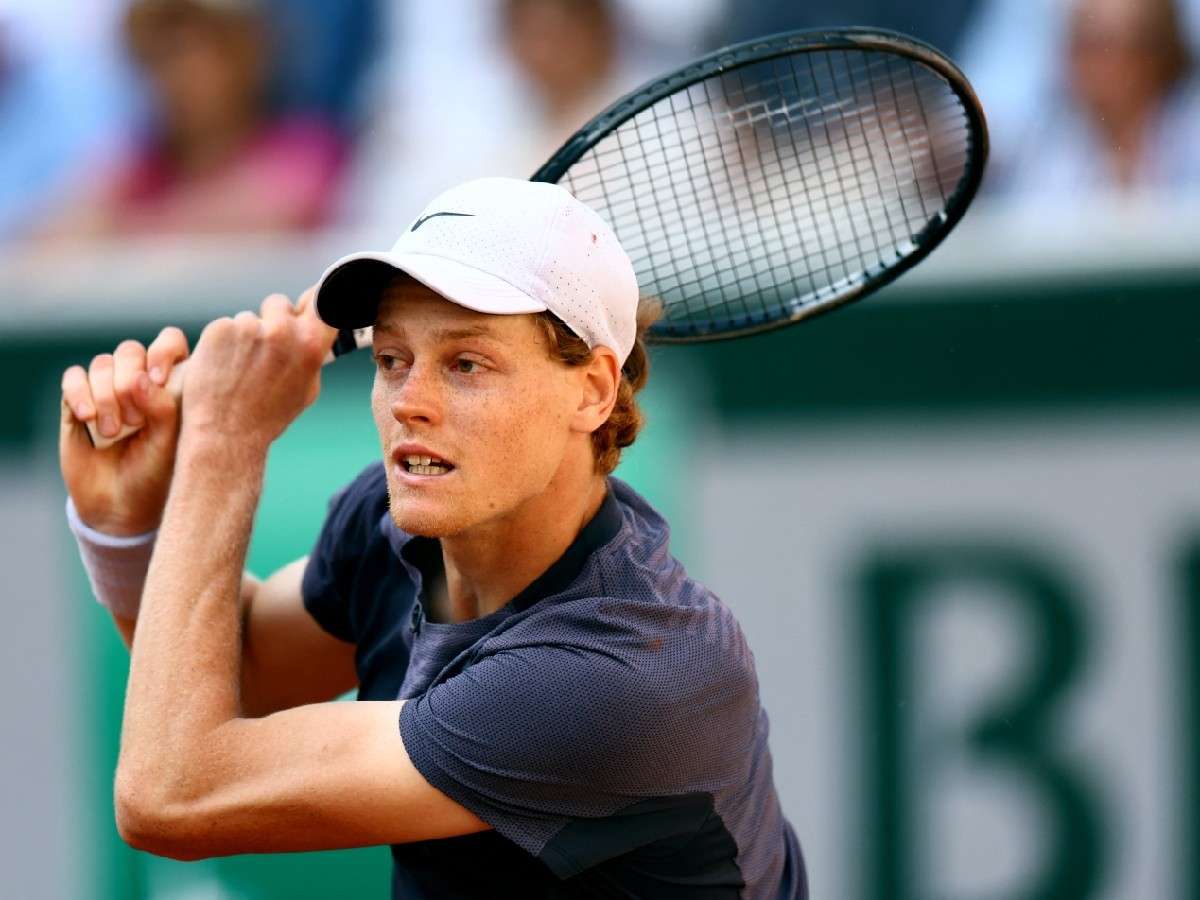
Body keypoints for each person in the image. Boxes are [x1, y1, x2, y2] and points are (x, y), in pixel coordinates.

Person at [59, 177, 807, 898]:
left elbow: (172, 795)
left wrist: (223, 439)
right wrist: (125, 526)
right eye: (393, 359)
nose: (410, 402)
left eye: (466, 363)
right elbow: (246, 676)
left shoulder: (616, 678)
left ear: (593, 389)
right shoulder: (395, 525)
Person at [46, 0, 344, 237]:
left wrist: (124, 230)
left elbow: (275, 214)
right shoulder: (139, 163)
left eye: (192, 49)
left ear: (248, 52)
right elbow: (54, 238)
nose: (173, 73)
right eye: (156, 55)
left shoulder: (307, 146)